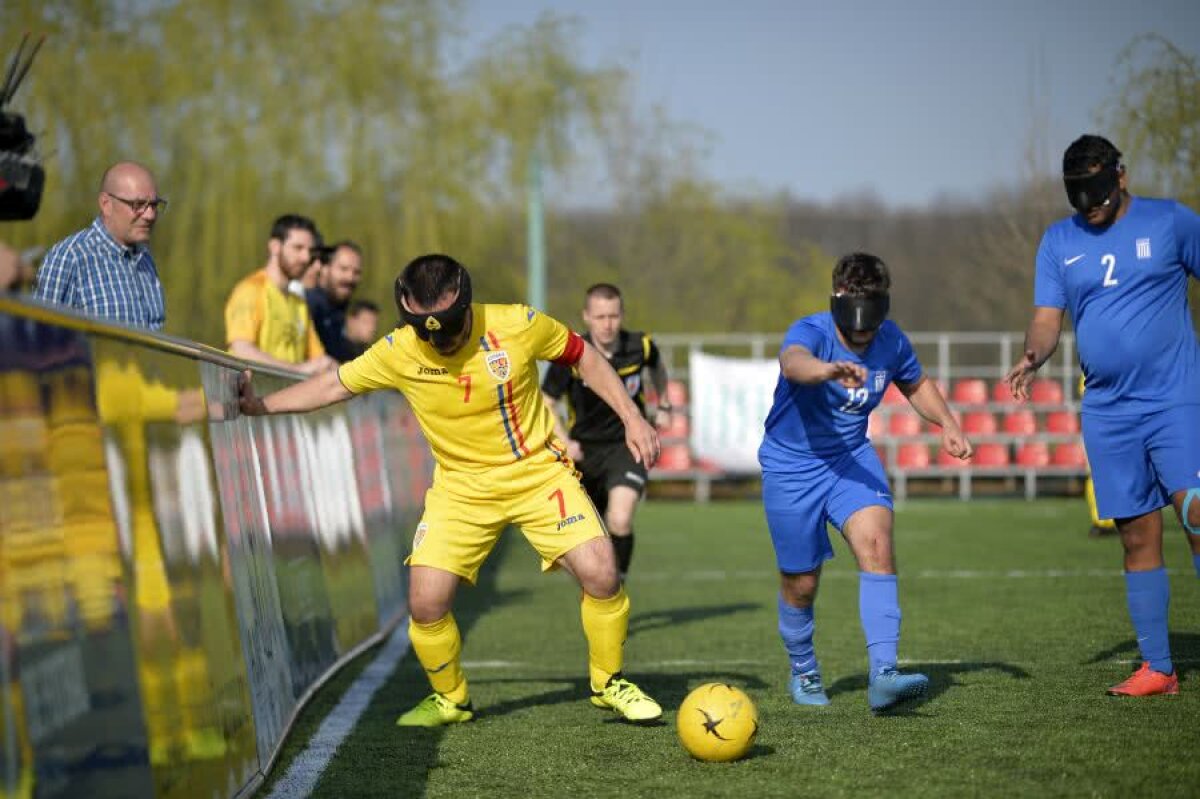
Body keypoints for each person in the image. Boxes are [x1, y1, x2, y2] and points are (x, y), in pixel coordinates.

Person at [236, 253, 664, 726]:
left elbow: (583, 356)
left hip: (537, 474)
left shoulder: (517, 324)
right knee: (425, 603)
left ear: (466, 305)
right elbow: (333, 387)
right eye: (428, 334)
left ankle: (609, 683)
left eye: (450, 330)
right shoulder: (398, 350)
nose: (440, 342)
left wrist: (632, 417)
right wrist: (260, 406)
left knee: (602, 572)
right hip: (460, 488)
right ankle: (451, 700)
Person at [1005, 134, 1200, 698]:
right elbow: (1047, 319)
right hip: (1109, 410)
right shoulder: (1058, 241)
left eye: (1097, 189)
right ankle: (1158, 669)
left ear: (1121, 175)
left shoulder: (1170, 222)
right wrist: (1032, 356)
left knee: (1197, 515)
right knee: (1137, 536)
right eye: (1077, 194)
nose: (1089, 203)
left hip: (1175, 398)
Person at [758, 252, 972, 713]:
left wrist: (948, 423)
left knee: (877, 543)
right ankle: (804, 669)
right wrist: (827, 370)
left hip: (850, 458)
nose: (862, 336)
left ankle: (884, 675)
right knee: (801, 583)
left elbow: (916, 383)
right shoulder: (812, 331)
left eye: (869, 328)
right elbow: (793, 362)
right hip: (791, 465)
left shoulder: (891, 340)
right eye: (854, 329)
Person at [541, 283, 671, 582]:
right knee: (591, 536)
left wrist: (664, 404)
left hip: (628, 447)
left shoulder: (641, 346)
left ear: (622, 314)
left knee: (620, 518)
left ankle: (618, 581)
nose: (607, 324)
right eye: (600, 317)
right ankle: (599, 587)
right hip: (584, 452)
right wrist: (564, 440)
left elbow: (658, 369)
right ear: (586, 317)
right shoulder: (572, 354)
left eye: (613, 316)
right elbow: (547, 401)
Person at [31, 161, 167, 329]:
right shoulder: (70, 257)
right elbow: (38, 334)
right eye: (138, 205)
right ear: (106, 204)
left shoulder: (145, 259)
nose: (150, 215)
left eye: (154, 205)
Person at [224, 214, 335, 374]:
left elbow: (319, 360)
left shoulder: (299, 303)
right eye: (298, 248)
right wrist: (296, 370)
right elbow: (241, 349)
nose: (306, 258)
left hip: (288, 390)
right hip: (250, 389)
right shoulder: (250, 290)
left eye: (309, 251)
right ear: (275, 246)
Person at [305, 240, 366, 362]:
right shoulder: (309, 306)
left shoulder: (339, 310)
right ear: (325, 268)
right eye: (343, 269)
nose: (350, 278)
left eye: (356, 272)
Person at [1078, 375, 1116, 538]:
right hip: (1099, 425)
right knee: (1095, 475)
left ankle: (1112, 519)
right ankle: (1102, 521)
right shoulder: (1091, 369)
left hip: (1112, 424)